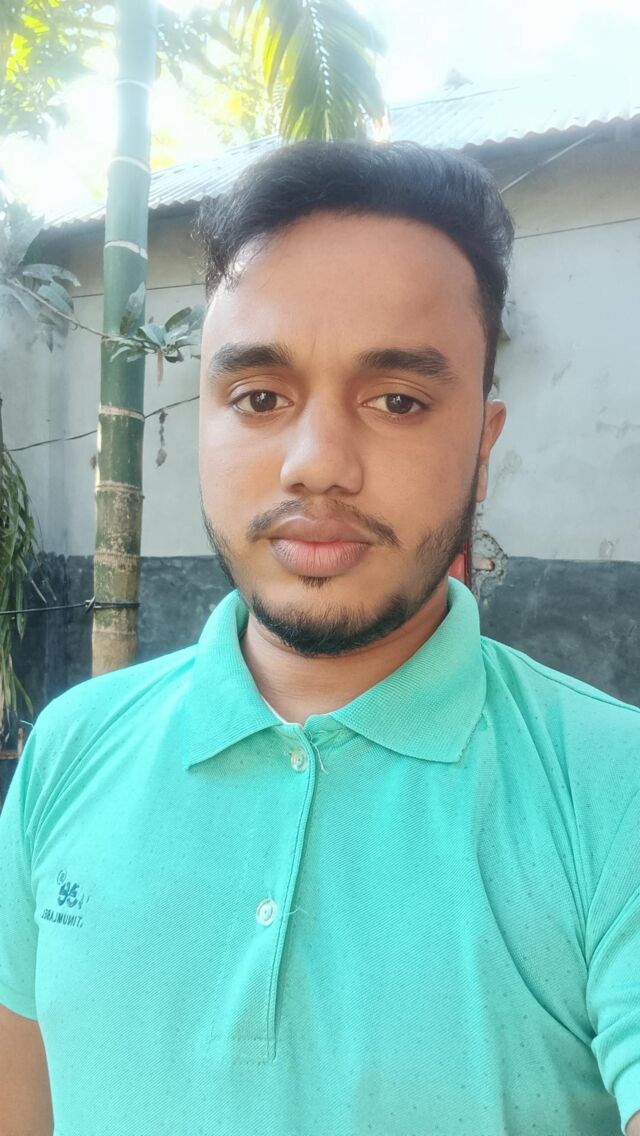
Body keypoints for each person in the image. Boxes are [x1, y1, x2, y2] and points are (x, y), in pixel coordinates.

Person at [0, 139, 638, 1136]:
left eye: (397, 400)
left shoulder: (612, 790)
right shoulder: (72, 748)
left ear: (483, 446)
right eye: (260, 397)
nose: (317, 462)